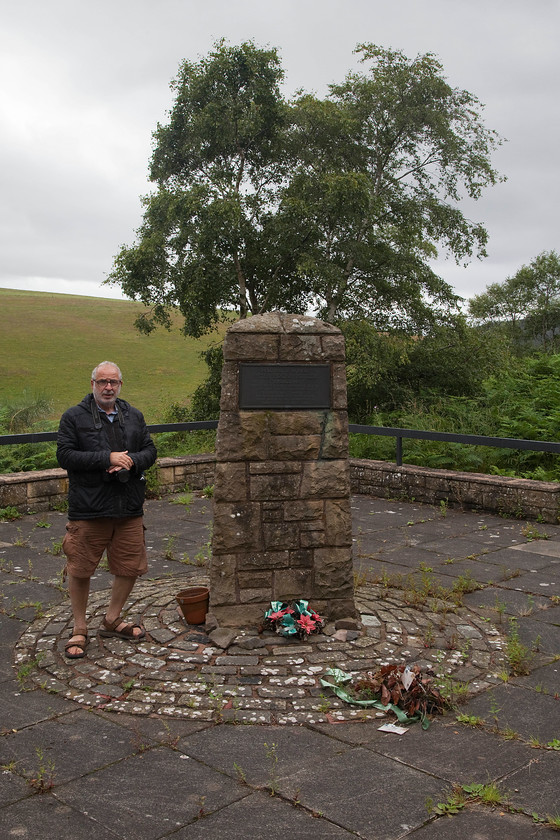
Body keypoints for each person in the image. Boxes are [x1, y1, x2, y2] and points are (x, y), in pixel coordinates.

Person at [56, 361, 157, 658]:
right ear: (92, 384)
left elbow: (150, 450)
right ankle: (79, 628)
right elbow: (65, 455)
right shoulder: (74, 417)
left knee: (130, 565)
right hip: (89, 508)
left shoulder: (134, 415)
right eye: (102, 382)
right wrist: (106, 457)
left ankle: (112, 619)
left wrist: (131, 461)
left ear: (120, 385)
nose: (108, 387)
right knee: (80, 567)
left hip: (128, 506)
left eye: (113, 382)